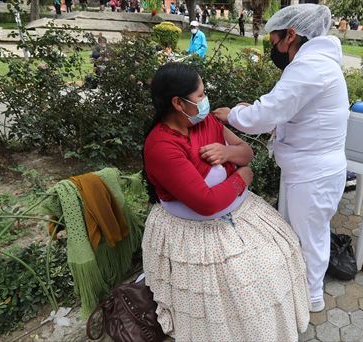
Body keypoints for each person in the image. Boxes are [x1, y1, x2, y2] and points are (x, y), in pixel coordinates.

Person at [142, 63, 310, 341]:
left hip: (238, 212)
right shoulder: (162, 146)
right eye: (200, 95)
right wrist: (242, 177)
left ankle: (276, 329)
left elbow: (246, 153)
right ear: (177, 102)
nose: (206, 100)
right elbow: (207, 203)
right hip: (197, 230)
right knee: (242, 286)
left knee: (278, 258)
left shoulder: (204, 121)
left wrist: (226, 152)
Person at [213, 4, 349, 313]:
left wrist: (233, 114)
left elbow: (269, 113)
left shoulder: (310, 66)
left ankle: (311, 298)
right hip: (307, 171)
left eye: (274, 42)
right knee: (300, 233)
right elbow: (287, 111)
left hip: (312, 174)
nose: (273, 49)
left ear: (291, 35)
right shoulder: (315, 63)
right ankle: (299, 289)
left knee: (310, 238)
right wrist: (254, 111)